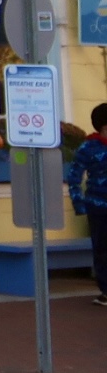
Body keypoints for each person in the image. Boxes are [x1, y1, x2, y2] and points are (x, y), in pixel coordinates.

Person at [68, 102, 107, 306]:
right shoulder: (89, 147)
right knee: (102, 249)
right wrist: (79, 203)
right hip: (98, 207)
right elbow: (74, 176)